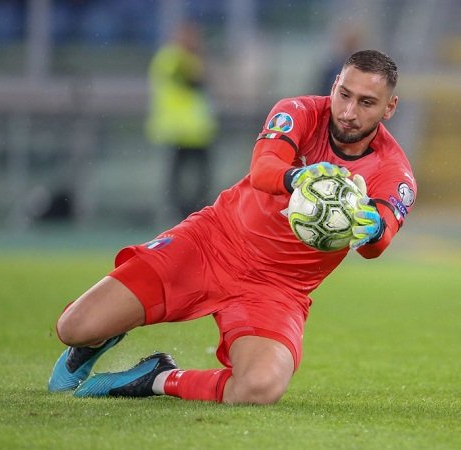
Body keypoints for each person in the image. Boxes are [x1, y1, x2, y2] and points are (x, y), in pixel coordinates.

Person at [48, 50, 417, 405]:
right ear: (335, 84)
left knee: (260, 388)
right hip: (211, 243)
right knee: (74, 327)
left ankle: (156, 377)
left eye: (367, 103)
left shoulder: (394, 173)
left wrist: (372, 230)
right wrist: (298, 178)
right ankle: (92, 344)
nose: (349, 112)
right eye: (344, 94)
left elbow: (377, 242)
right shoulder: (300, 111)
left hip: (277, 289)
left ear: (390, 107)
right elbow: (263, 170)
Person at [146, 21, 218, 221]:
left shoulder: (187, 59)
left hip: (197, 130)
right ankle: (179, 214)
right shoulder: (173, 59)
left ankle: (195, 212)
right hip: (178, 129)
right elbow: (193, 80)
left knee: (199, 177)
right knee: (177, 178)